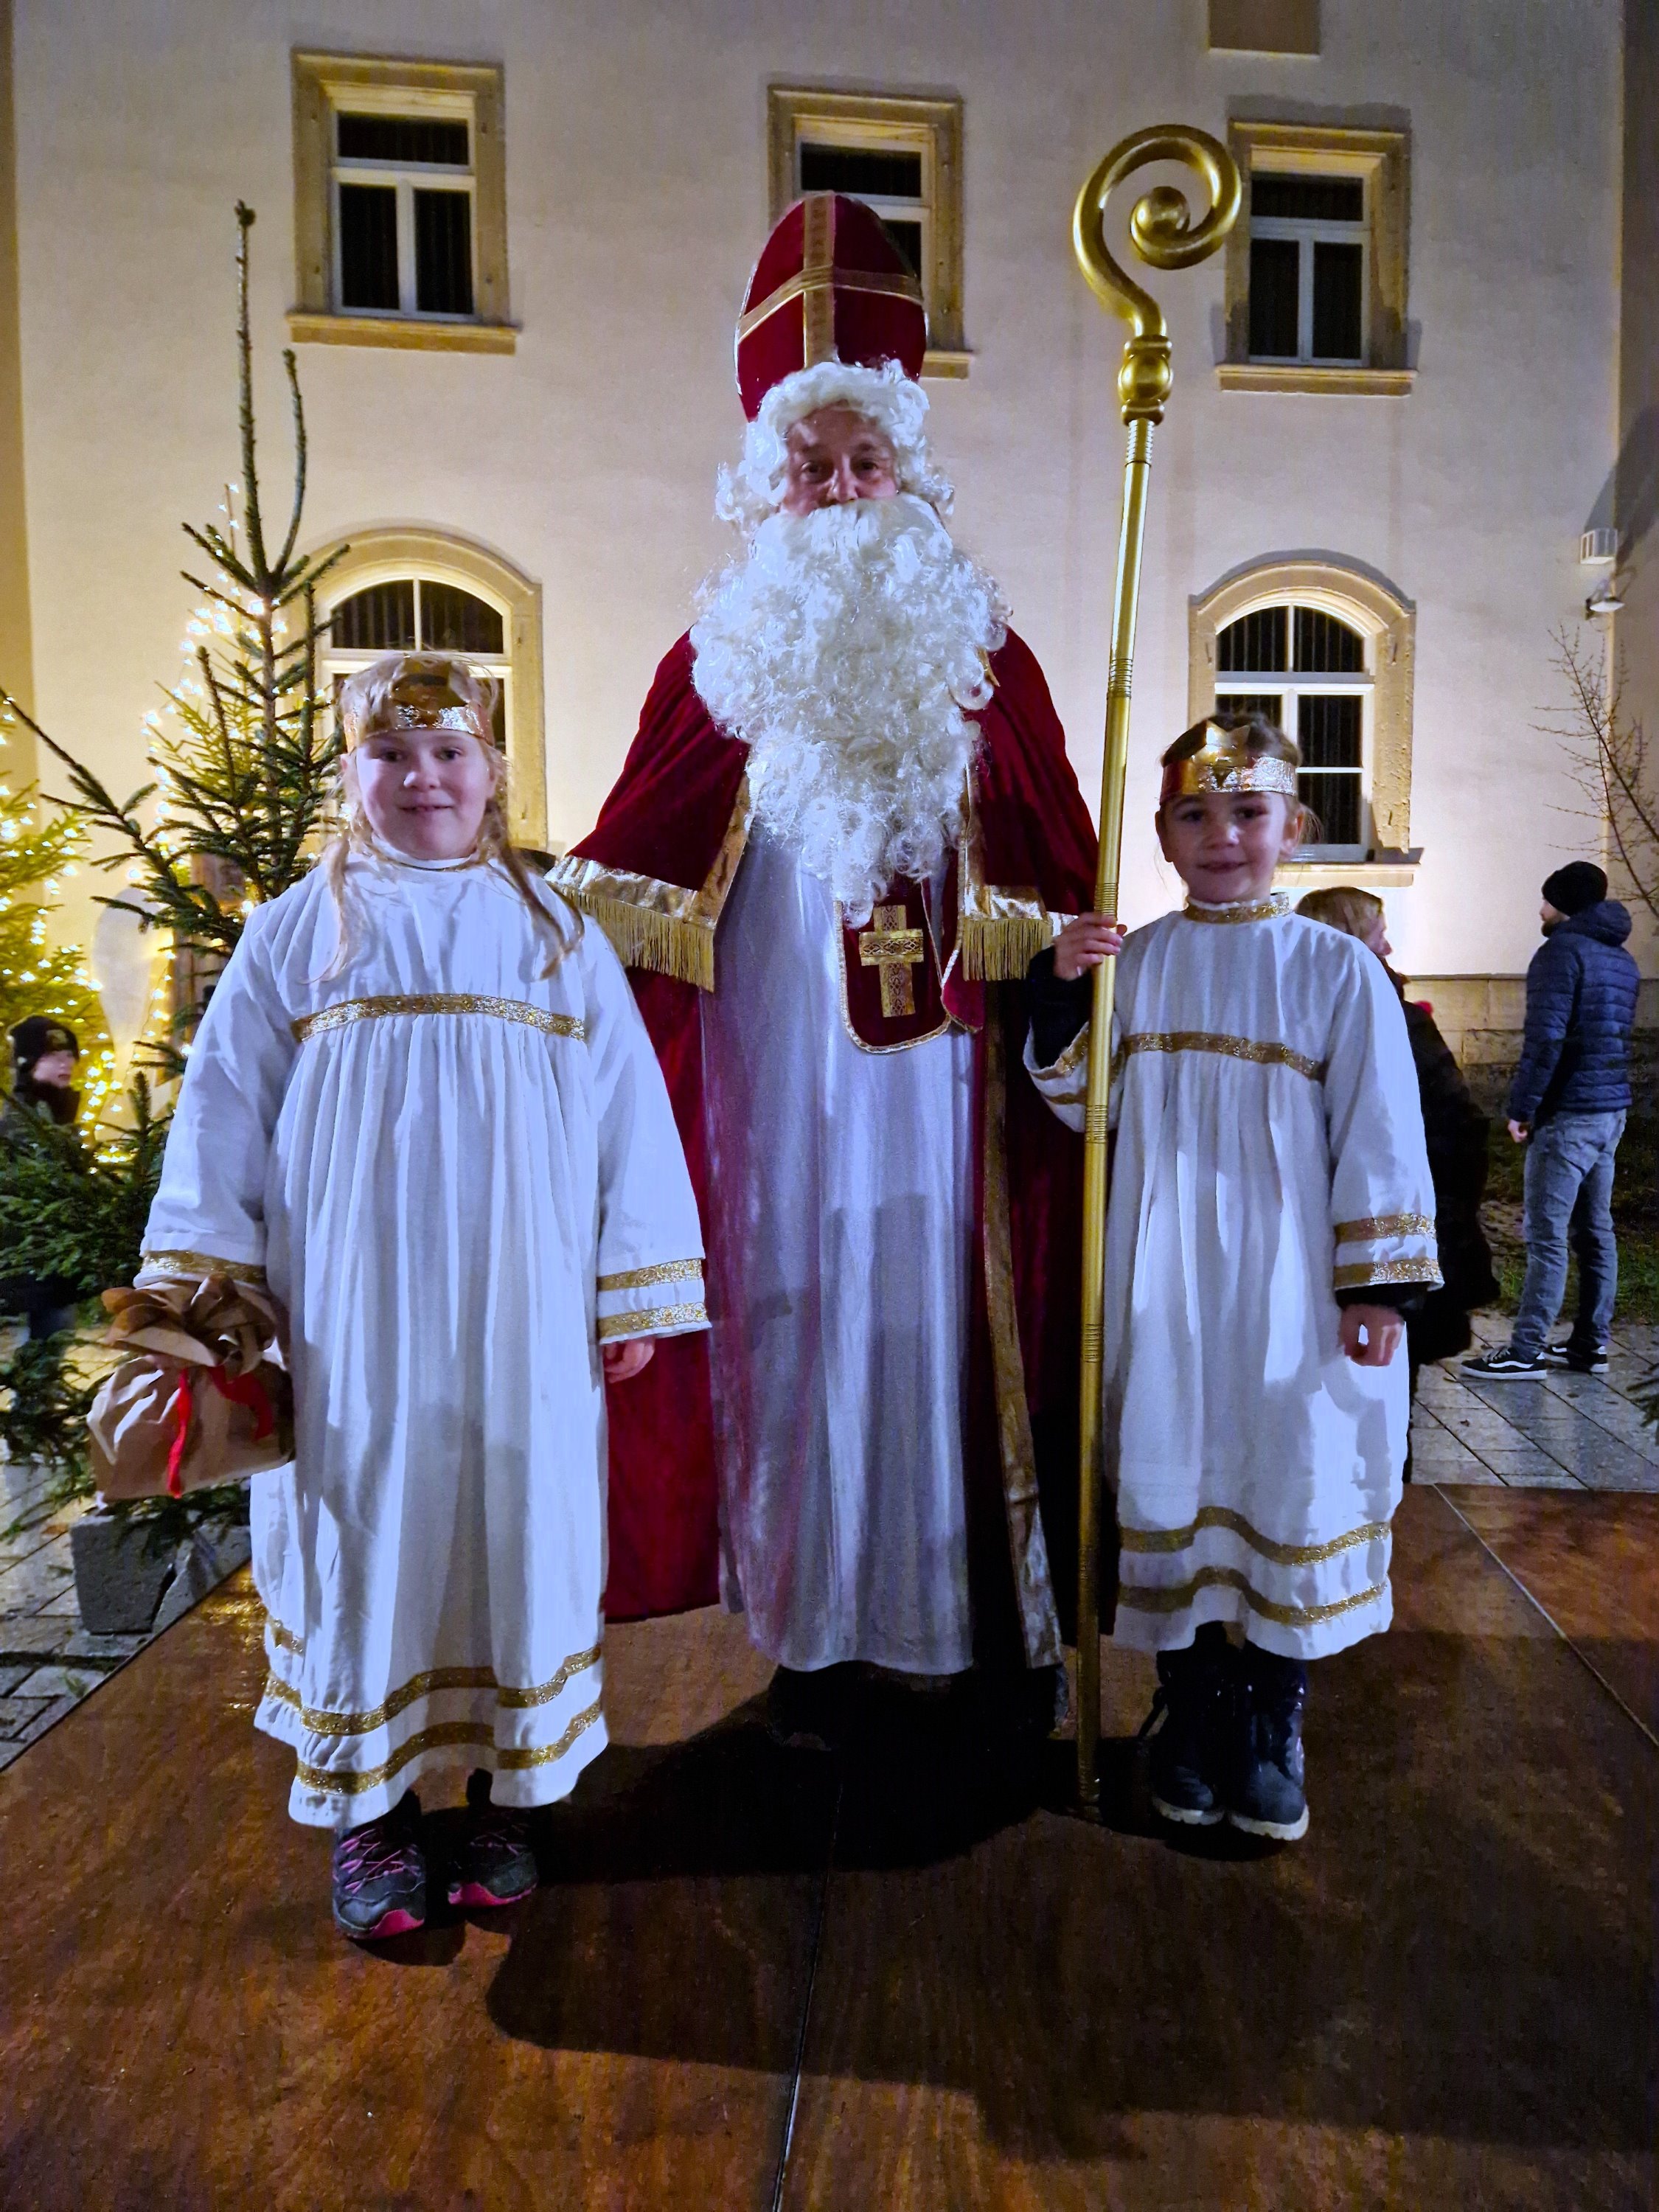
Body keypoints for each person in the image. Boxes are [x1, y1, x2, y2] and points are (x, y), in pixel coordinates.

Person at [549, 194, 1097, 1743]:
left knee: (937, 1337)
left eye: (868, 465)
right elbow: (618, 889)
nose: (844, 494)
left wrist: (1064, 968)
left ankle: (984, 1630)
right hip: (773, 1093)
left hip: (949, 1107)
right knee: (791, 1318)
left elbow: (1058, 872)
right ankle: (815, 1637)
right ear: (766, 489)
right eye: (814, 470)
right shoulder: (711, 665)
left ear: (909, 474)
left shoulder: (986, 654)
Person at [136, 653, 706, 1940]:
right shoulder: (298, 931)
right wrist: (210, 1300)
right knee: (364, 1527)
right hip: (351, 1321)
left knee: (517, 1517)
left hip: (527, 1310)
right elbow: (223, 1117)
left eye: (450, 753)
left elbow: (631, 1115)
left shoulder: (556, 932)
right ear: (355, 776)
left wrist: (633, 1291)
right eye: (393, 757)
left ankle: (509, 1795)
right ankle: (373, 1811)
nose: (423, 778)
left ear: (493, 771)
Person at [1024, 714, 1438, 1842]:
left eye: (1246, 813)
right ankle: (1190, 1708)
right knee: (1172, 1473)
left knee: (1283, 1473)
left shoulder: (1334, 970)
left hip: (1290, 1289)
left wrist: (1376, 1287)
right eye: (1194, 816)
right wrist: (1061, 989)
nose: (1222, 836)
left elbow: (1380, 1130)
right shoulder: (1141, 962)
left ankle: (1271, 1717)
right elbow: (1078, 1109)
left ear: (1293, 826)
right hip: (1162, 1283)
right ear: (1159, 835)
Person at [1295, 887, 1498, 1467]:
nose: (1389, 943)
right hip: (1347, 1239)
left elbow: (1453, 1132)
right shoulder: (1347, 1014)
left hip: (1391, 1244)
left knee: (1378, 1403)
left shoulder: (1394, 1018)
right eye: (1377, 931)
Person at [1463, 861, 1640, 1379]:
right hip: (1611, 1110)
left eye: (1546, 900)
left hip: (1569, 1115)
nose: (1539, 910)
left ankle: (1525, 1349)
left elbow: (1546, 1040)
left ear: (1564, 903)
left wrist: (1522, 1108)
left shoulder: (1559, 953)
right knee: (1596, 1231)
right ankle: (1591, 1344)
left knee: (1546, 1234)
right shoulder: (1621, 958)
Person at [1, 1017, 83, 1338]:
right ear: (28, 1062)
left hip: (58, 1266)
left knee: (54, 1341)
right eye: (52, 1056)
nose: (66, 1063)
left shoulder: (60, 1117)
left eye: (69, 1055)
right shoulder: (21, 1124)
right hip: (34, 1267)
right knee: (41, 1350)